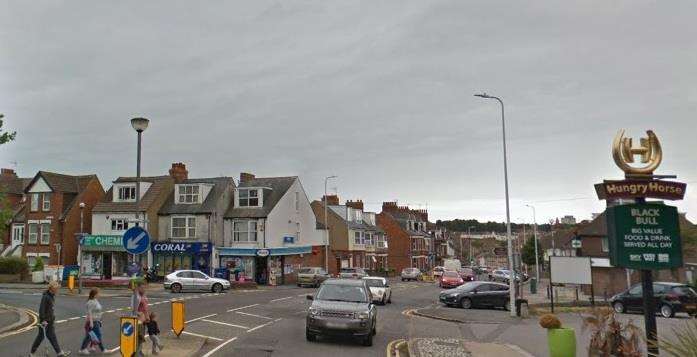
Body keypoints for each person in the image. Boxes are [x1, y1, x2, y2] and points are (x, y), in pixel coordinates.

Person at [30, 281, 71, 356]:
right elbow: (41, 310)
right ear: (52, 288)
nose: (57, 290)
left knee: (52, 337)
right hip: (45, 322)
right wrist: (43, 320)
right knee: (40, 338)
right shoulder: (46, 297)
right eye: (56, 289)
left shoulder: (51, 296)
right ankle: (32, 353)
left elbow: (50, 309)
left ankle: (59, 352)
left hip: (50, 321)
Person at [78, 288, 104, 355]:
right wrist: (91, 323)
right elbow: (89, 313)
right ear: (95, 294)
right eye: (98, 293)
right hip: (92, 321)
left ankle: (89, 347)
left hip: (96, 320)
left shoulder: (95, 300)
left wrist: (100, 320)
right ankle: (103, 349)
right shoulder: (90, 302)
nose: (99, 294)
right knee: (96, 335)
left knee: (91, 335)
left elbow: (98, 311)